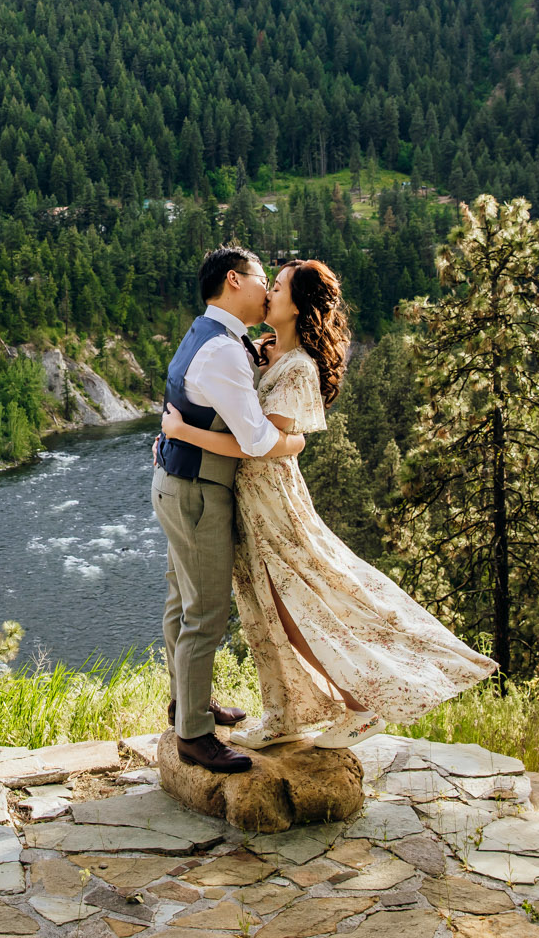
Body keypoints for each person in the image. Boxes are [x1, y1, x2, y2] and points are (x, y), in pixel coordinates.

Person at [162, 259, 498, 750]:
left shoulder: (297, 367)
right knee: (262, 610)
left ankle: (360, 705)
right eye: (267, 283)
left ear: (296, 304)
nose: (268, 294)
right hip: (248, 497)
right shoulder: (270, 354)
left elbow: (268, 442)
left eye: (276, 288)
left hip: (271, 499)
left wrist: (181, 433)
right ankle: (284, 712)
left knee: (294, 603)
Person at [151, 246, 307, 774]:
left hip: (176, 483)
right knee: (205, 615)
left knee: (182, 603)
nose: (268, 290)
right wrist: (296, 444)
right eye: (264, 280)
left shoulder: (214, 335)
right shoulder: (221, 350)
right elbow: (258, 439)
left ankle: (186, 705)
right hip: (197, 491)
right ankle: (194, 736)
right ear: (236, 281)